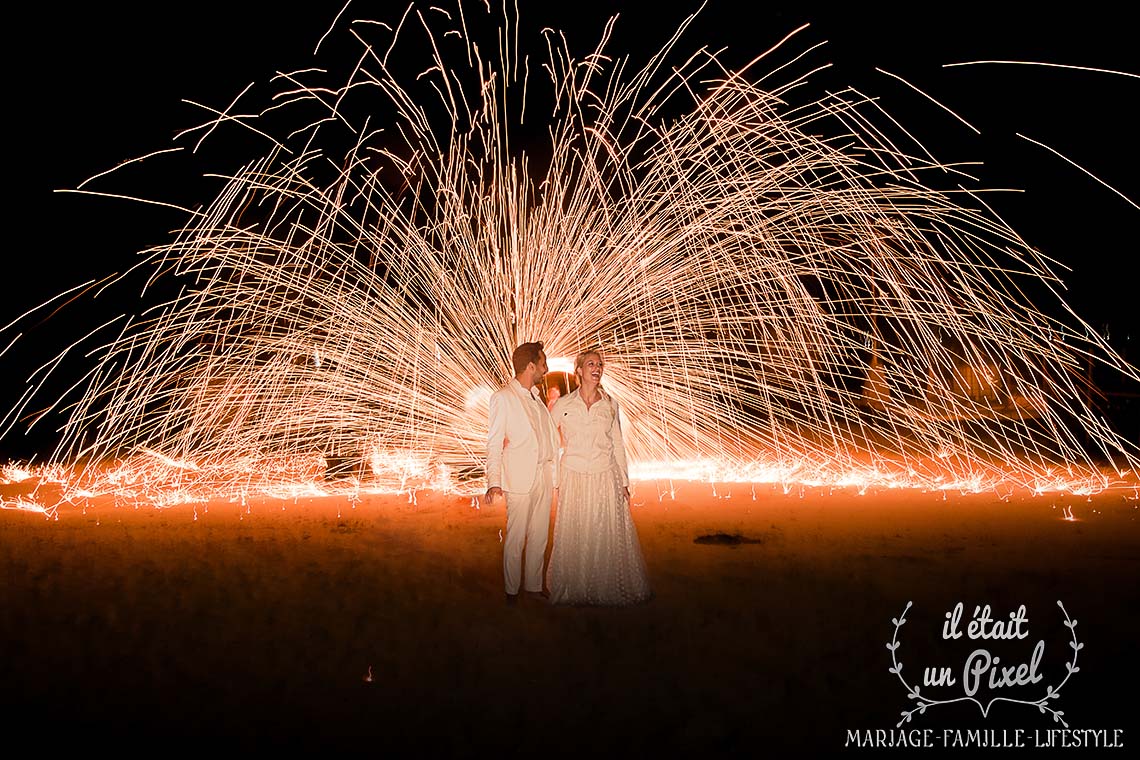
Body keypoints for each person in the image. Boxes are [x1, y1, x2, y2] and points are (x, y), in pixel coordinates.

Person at [546, 350, 652, 606]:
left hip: (605, 474)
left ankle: (604, 586)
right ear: (579, 371)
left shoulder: (610, 405)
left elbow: (617, 443)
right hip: (573, 475)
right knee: (577, 529)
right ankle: (575, 586)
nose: (597, 368)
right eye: (590, 364)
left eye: (600, 365)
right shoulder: (563, 405)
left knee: (603, 531)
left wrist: (624, 481)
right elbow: (549, 442)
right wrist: (554, 480)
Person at [485, 341, 560, 606]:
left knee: (540, 534)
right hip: (519, 477)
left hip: (543, 475)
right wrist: (493, 482)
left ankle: (533, 586)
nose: (546, 368)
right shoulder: (503, 398)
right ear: (530, 366)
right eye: (542, 363)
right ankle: (511, 591)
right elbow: (493, 443)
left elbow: (548, 436)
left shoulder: (536, 398)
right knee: (516, 537)